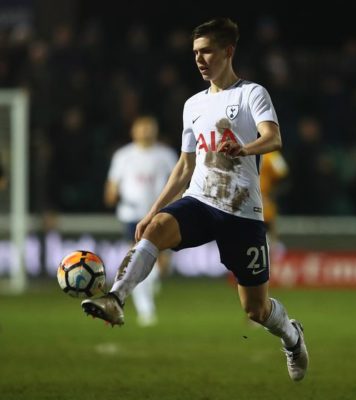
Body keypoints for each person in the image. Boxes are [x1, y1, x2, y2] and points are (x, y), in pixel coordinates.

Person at [81, 17, 308, 381]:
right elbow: (185, 166)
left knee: (256, 310)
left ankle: (293, 337)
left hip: (242, 212)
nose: (199, 60)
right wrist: (153, 210)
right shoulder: (192, 105)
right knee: (155, 229)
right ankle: (116, 298)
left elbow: (274, 139)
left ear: (228, 51)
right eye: (195, 53)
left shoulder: (252, 94)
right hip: (200, 200)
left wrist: (245, 148)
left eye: (206, 52)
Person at [104, 116, 178, 326]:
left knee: (162, 266)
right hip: (132, 215)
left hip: (158, 213)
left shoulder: (165, 155)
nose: (145, 131)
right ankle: (146, 311)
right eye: (142, 127)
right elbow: (113, 183)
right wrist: (111, 194)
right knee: (137, 259)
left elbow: (176, 181)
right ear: (133, 131)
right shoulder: (124, 155)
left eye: (149, 127)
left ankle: (148, 281)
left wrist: (177, 204)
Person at [260, 150, 288, 256]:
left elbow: (286, 180)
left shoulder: (271, 155)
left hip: (265, 203)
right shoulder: (239, 153)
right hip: (243, 202)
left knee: (273, 245)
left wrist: (270, 196)